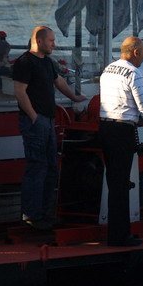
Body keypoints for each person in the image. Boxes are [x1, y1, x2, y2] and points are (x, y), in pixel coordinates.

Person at [12, 25, 86, 230]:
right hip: (36, 121)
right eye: (51, 40)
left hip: (48, 119)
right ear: (39, 40)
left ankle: (45, 213)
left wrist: (74, 96)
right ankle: (31, 214)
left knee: (51, 166)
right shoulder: (25, 62)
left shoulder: (48, 62)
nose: (54, 44)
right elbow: (20, 91)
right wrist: (33, 116)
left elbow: (59, 81)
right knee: (37, 165)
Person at [98, 36, 143, 246]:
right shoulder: (133, 73)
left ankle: (116, 233)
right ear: (135, 53)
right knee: (121, 184)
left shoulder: (108, 70)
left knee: (113, 181)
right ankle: (119, 236)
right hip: (122, 130)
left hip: (105, 127)